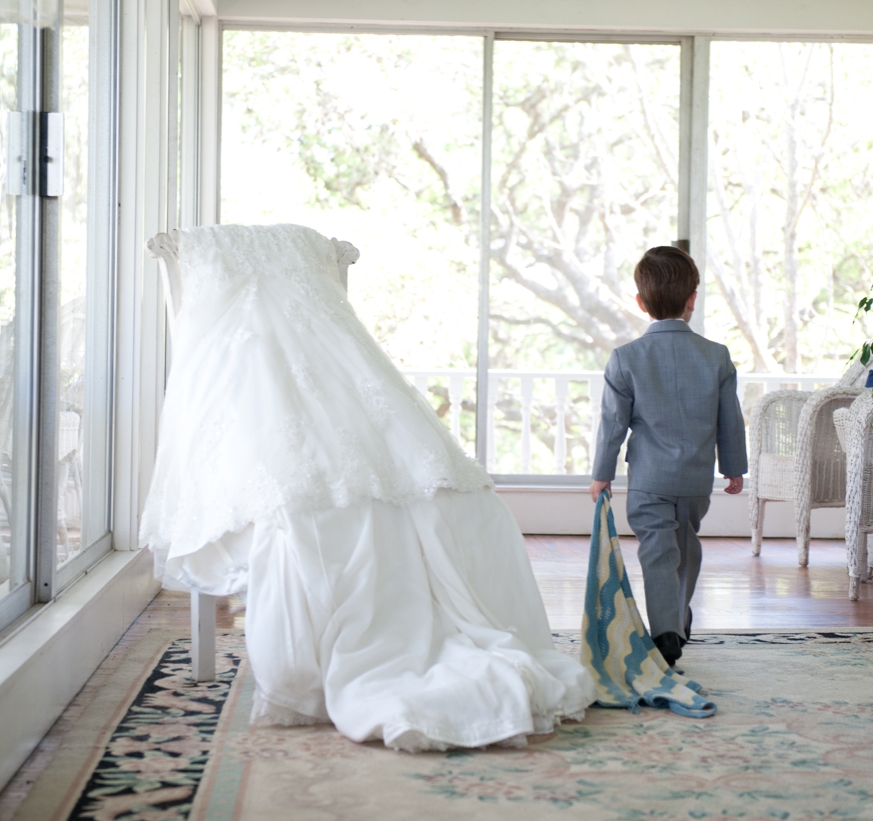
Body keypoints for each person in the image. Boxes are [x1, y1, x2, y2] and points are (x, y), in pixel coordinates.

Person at [142, 223, 594, 752]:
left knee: (445, 496)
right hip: (263, 427)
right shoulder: (236, 358)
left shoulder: (324, 345)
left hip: (340, 421)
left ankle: (407, 654)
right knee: (311, 512)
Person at [588, 245, 747, 669]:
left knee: (659, 552)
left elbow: (612, 424)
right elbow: (730, 420)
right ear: (692, 299)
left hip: (648, 480)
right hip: (695, 482)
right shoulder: (716, 356)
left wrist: (601, 474)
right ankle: (674, 620)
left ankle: (666, 630)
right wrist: (734, 468)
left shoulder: (625, 359)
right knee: (685, 548)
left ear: (640, 303)